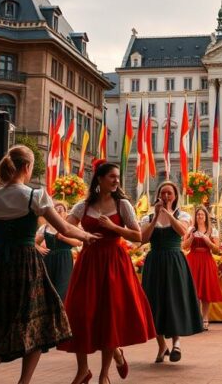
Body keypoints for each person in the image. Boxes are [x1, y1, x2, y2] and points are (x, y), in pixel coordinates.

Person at [0, 146, 98, 384]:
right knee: (37, 322)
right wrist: (87, 237)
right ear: (27, 167)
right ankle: (23, 382)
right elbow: (65, 228)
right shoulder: (34, 196)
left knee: (3, 318)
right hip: (27, 264)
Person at [61, 162, 155, 384]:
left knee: (109, 316)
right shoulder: (82, 206)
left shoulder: (122, 204)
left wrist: (114, 228)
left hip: (114, 261)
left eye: (118, 177)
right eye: (112, 177)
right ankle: (83, 370)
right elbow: (65, 228)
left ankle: (104, 374)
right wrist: (83, 237)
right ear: (100, 179)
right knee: (80, 314)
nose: (116, 181)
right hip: (88, 262)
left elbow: (137, 236)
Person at [140, 181, 204, 362]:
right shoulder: (148, 217)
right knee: (153, 302)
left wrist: (167, 213)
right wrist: (155, 217)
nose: (166, 196)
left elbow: (182, 231)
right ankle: (161, 346)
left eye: (170, 193)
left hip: (175, 260)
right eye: (163, 193)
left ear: (175, 196)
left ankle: (176, 343)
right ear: (158, 195)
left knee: (174, 299)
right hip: (155, 261)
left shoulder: (181, 215)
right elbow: (143, 238)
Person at [183, 206, 222, 330]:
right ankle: (193, 318)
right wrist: (191, 238)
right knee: (192, 290)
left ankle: (205, 317)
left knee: (206, 291)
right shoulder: (190, 229)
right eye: (198, 214)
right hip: (193, 260)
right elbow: (184, 246)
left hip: (206, 260)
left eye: (202, 214)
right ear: (195, 217)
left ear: (206, 217)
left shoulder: (213, 230)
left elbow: (217, 250)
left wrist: (208, 241)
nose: (200, 216)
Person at [36, 202, 79, 300]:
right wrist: (40, 248)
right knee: (48, 286)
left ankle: (61, 311)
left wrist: (63, 238)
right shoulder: (45, 227)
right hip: (49, 259)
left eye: (61, 209)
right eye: (56, 209)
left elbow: (78, 243)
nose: (59, 211)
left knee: (62, 287)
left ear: (65, 213)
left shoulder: (69, 227)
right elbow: (33, 242)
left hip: (65, 259)